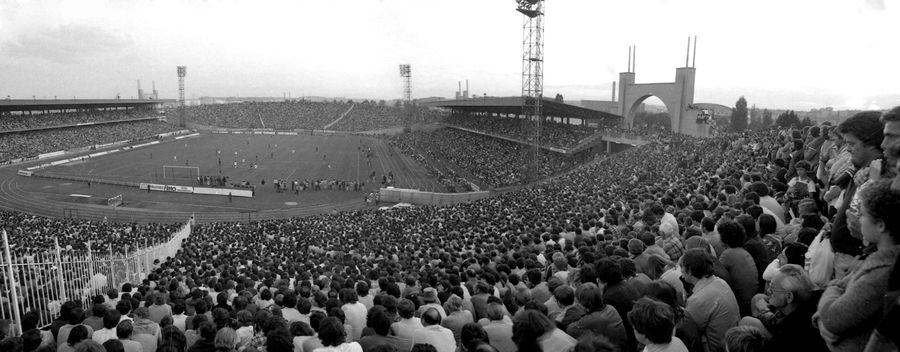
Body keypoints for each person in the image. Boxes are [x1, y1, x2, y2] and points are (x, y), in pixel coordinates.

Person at [815, 180, 900, 352]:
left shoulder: (880, 274)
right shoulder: (875, 258)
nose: (859, 220)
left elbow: (833, 318)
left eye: (863, 215)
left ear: (881, 225)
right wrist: (822, 316)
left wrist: (832, 287)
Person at [830, 111, 885, 280]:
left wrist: (864, 253)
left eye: (852, 143)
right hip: (849, 258)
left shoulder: (883, 177)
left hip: (857, 261)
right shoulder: (863, 170)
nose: (847, 149)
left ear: (870, 144)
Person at [741, 264, 827, 352]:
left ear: (789, 297)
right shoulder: (811, 300)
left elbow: (778, 326)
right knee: (758, 298)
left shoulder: (789, 331)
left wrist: (764, 310)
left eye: (773, 289)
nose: (768, 291)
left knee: (746, 321)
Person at [681, 249, 740, 352]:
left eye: (681, 267)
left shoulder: (697, 300)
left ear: (689, 271)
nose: (680, 271)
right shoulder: (720, 281)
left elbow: (687, 330)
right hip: (734, 341)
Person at [565, 283, 627, 352]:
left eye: (577, 301)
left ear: (583, 303)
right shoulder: (611, 308)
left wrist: (581, 311)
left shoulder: (592, 319)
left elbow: (570, 329)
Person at [716, 220, 759, 316]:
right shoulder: (743, 251)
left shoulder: (728, 254)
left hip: (742, 306)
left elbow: (715, 274)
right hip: (752, 300)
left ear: (724, 238)